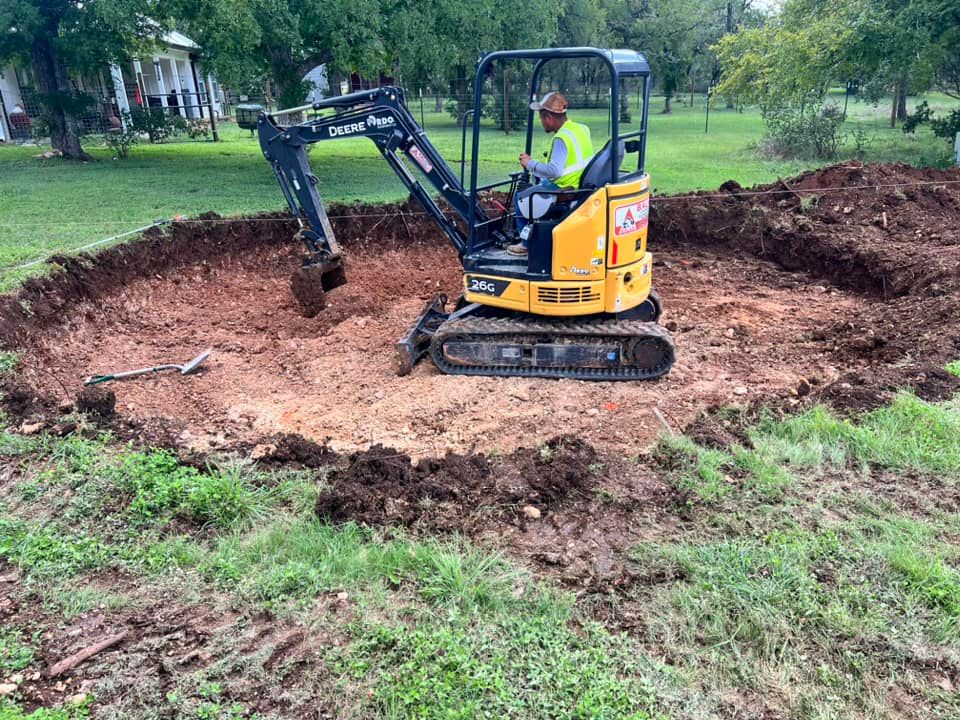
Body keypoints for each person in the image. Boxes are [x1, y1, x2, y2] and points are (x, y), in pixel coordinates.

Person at [508, 91, 593, 256]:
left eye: (542, 118)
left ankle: (526, 244)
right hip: (579, 185)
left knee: (520, 198)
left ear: (549, 117)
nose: (542, 123)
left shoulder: (561, 138)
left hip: (563, 189)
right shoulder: (582, 129)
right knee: (535, 185)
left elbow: (555, 170)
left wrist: (530, 164)